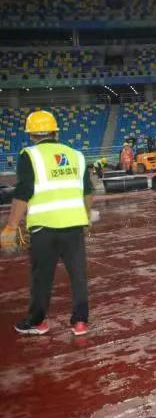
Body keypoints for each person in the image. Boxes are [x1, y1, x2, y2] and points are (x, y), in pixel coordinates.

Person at [0, 110, 94, 336]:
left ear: (31, 134)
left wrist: (11, 227)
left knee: (42, 277)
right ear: (55, 132)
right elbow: (88, 191)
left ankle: (37, 322)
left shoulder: (29, 155)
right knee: (78, 275)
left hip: (44, 228)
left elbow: (23, 192)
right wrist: (86, 217)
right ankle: (80, 322)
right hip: (74, 225)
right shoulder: (76, 155)